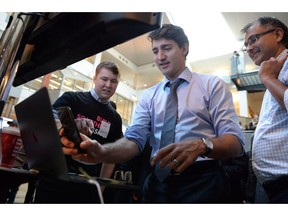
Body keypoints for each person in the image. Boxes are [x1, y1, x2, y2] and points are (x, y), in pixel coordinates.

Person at [61, 24, 244, 203]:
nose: (160, 57)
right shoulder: (149, 96)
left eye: (166, 48)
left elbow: (235, 143)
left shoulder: (212, 85)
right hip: (159, 184)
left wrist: (202, 146)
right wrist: (102, 152)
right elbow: (134, 141)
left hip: (204, 182)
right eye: (155, 51)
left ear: (184, 48)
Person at [34, 61, 123, 203]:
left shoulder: (115, 118)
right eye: (104, 79)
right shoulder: (72, 98)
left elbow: (110, 158)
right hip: (55, 178)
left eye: (113, 81)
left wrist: (101, 188)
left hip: (86, 185)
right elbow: (45, 122)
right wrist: (69, 126)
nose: (108, 85)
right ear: (94, 78)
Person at [241, 16, 288, 203]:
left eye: (253, 39)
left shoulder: (271, 74)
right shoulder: (275, 69)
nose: (249, 48)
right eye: (246, 45)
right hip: (272, 186)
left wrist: (268, 78)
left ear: (277, 34)